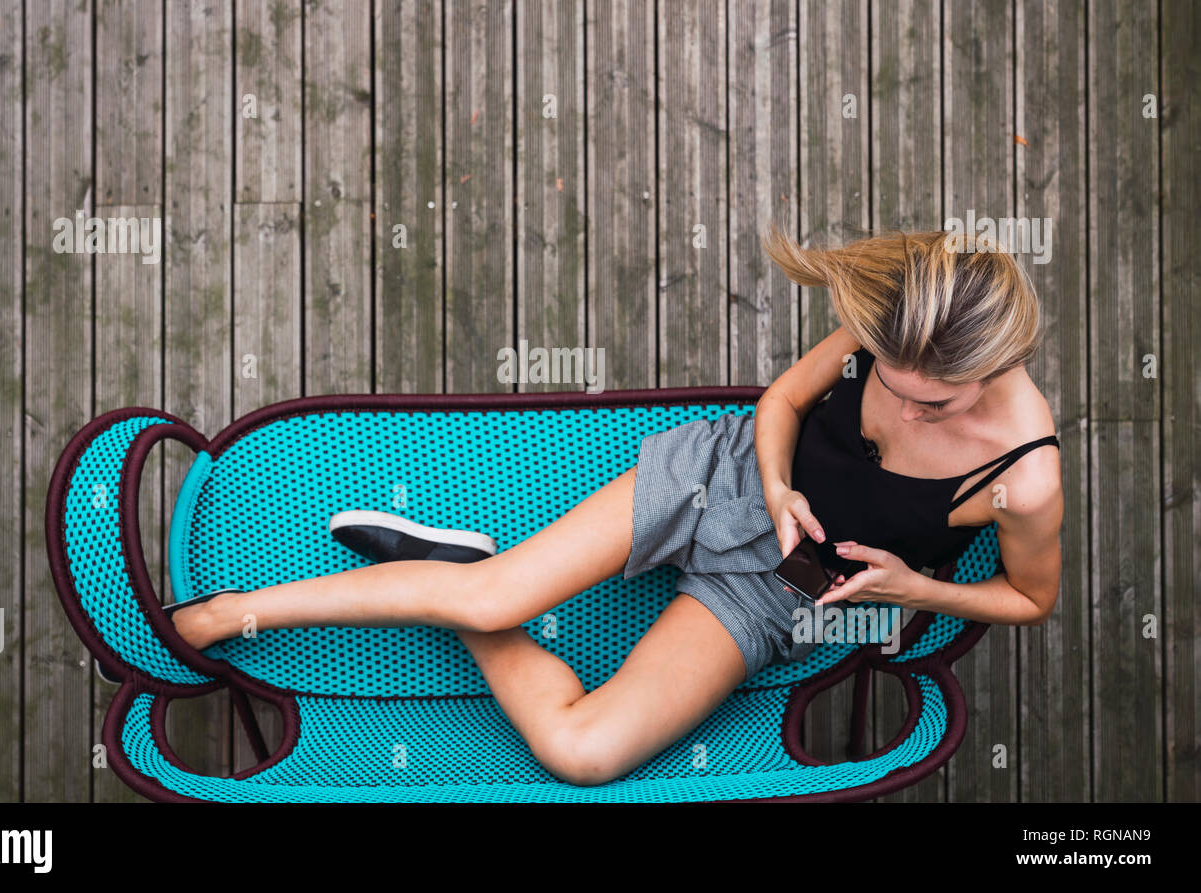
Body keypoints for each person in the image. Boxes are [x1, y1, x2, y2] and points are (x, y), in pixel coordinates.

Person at [165, 228, 1064, 787]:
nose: (905, 409)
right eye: (894, 385)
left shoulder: (1024, 474)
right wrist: (779, 482)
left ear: (989, 372)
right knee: (496, 601)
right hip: (721, 478)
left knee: (582, 754)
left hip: (781, 592)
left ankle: (457, 567)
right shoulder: (895, 325)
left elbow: (1031, 600)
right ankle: (224, 616)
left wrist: (913, 586)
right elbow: (783, 403)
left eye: (933, 406)